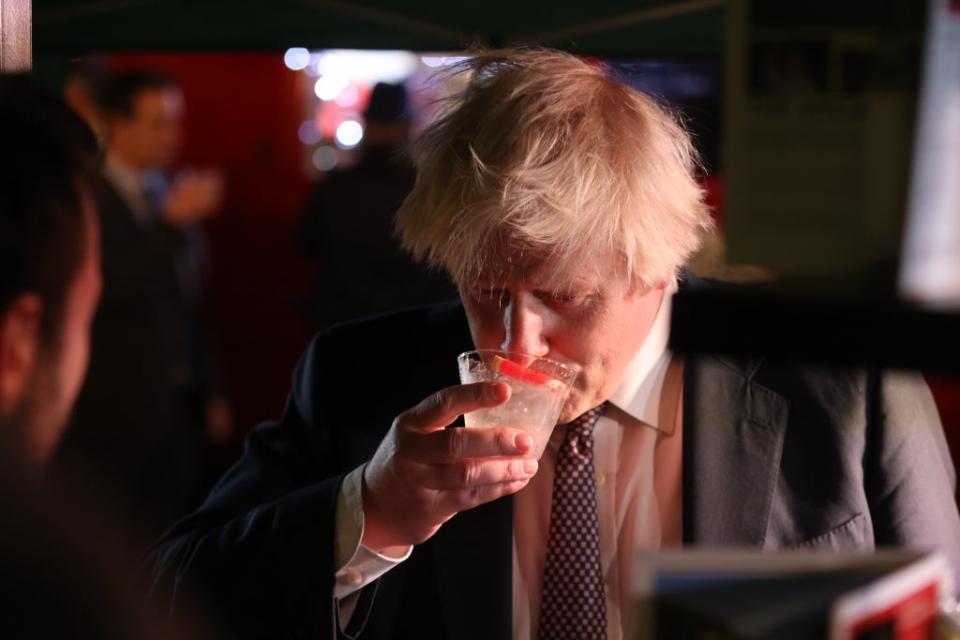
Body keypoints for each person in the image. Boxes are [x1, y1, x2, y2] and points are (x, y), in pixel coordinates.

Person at [151, 49, 960, 639]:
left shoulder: (841, 381)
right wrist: (375, 510)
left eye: (566, 297)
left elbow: (943, 611)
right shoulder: (362, 379)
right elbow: (172, 593)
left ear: (659, 266)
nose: (515, 340)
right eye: (487, 293)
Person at [54, 68, 233, 539]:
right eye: (158, 123)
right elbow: (105, 286)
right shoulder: (86, 194)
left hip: (175, 403)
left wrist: (210, 385)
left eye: (175, 122)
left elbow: (191, 302)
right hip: (110, 403)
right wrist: (171, 225)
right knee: (111, 535)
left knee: (170, 532)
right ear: (117, 124)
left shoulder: (164, 191)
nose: (172, 136)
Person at [297, 81, 457, 331]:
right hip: (414, 329)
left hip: (343, 326)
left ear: (367, 127)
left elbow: (306, 245)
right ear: (406, 130)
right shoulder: (431, 191)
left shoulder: (337, 186)